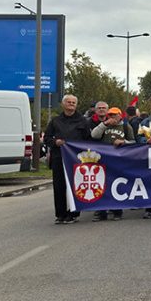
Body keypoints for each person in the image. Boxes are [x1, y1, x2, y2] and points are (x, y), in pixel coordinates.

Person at [43, 95, 91, 224]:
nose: (71, 104)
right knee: (59, 186)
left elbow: (88, 140)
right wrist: (55, 142)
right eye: (69, 102)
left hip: (77, 159)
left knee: (76, 185)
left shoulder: (83, 121)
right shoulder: (55, 121)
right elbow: (47, 138)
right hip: (59, 157)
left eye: (73, 102)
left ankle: (74, 213)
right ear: (63, 104)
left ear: (76, 105)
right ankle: (60, 214)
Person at [91, 107, 135, 221]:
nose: (112, 117)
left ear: (120, 116)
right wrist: (104, 124)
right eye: (110, 115)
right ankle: (101, 211)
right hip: (104, 159)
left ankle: (117, 211)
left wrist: (124, 142)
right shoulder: (104, 125)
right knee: (102, 184)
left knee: (116, 184)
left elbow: (133, 142)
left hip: (119, 159)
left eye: (115, 115)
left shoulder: (126, 126)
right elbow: (94, 135)